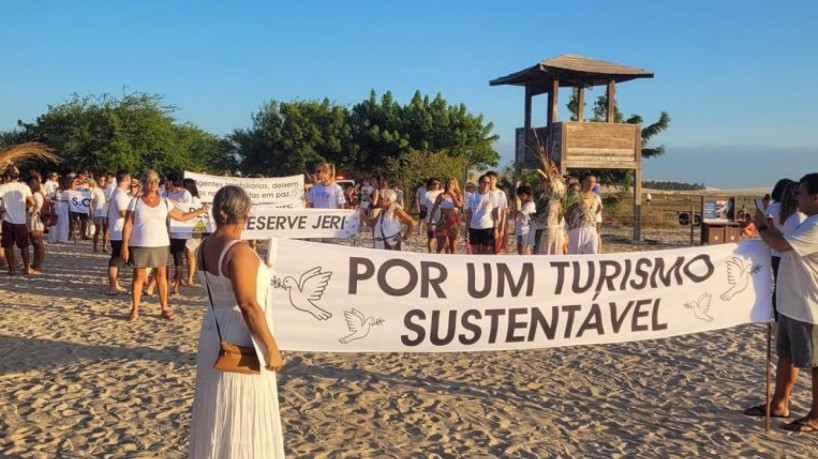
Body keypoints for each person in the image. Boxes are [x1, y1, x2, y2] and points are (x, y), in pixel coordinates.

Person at [188, 185, 285, 457]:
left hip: (213, 327)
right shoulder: (238, 250)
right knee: (244, 406)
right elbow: (248, 304)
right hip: (239, 331)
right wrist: (271, 346)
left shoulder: (204, 246)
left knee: (217, 405)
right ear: (245, 215)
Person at [745, 173, 818, 433]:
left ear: (815, 197)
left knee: (815, 363)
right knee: (786, 356)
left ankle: (816, 415)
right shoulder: (807, 221)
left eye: (800, 193)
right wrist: (764, 222)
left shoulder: (816, 225)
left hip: (810, 306)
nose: (795, 197)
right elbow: (780, 238)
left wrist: (763, 227)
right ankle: (779, 403)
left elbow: (780, 244)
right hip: (791, 302)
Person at [121, 170, 210, 321]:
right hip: (140, 244)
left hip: (161, 244)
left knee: (162, 276)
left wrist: (200, 211)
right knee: (138, 277)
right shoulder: (135, 201)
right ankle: (135, 309)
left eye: (156, 181)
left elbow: (181, 217)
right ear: (144, 182)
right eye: (150, 181)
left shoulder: (164, 201)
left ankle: (164, 307)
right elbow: (127, 224)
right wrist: (124, 246)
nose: (153, 184)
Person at [166, 171, 196, 296]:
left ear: (172, 182)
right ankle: (167, 282)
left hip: (181, 230)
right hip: (168, 230)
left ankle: (177, 285)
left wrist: (172, 203)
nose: (166, 183)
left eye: (167, 181)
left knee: (180, 257)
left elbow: (185, 211)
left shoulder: (185, 194)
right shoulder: (168, 193)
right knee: (168, 258)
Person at [0, 166, 35, 275]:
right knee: (24, 246)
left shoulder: (2, 187)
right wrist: (24, 207)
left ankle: (11, 269)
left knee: (8, 246)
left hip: (7, 220)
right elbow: (32, 202)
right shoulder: (24, 187)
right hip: (21, 220)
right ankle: (27, 268)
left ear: (7, 176)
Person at [106, 170, 132, 295]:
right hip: (119, 231)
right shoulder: (120, 195)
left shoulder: (118, 193)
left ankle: (115, 284)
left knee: (118, 260)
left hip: (118, 230)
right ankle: (112, 286)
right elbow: (123, 212)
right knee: (116, 260)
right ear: (126, 180)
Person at [566, 173, 603, 254]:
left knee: (593, 254)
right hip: (577, 230)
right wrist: (571, 224)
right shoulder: (575, 196)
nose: (591, 183)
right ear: (583, 182)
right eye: (589, 181)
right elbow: (567, 212)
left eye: (593, 182)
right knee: (574, 256)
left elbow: (599, 209)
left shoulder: (596, 197)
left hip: (592, 229)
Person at [465, 175, 499, 255]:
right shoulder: (472, 195)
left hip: (488, 227)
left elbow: (495, 214)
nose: (487, 184)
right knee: (475, 253)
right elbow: (469, 214)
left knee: (487, 252)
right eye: (485, 182)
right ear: (479, 183)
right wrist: (466, 229)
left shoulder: (492, 196)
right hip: (474, 227)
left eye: (489, 183)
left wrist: (496, 229)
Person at [429, 178, 464, 254]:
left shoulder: (459, 195)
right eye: (448, 183)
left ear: (455, 185)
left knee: (453, 246)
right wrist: (431, 221)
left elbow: (459, 205)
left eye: (452, 183)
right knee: (440, 245)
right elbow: (434, 209)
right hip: (442, 221)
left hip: (453, 222)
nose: (450, 185)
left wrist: (452, 194)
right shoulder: (441, 195)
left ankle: (453, 263)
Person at [183, 178, 204, 287]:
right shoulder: (183, 198)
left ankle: (190, 278)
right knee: (185, 254)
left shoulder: (195, 200)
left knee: (190, 254)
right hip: (183, 228)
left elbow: (200, 217)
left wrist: (197, 233)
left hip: (193, 230)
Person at [26, 176, 46, 273]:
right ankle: (35, 264)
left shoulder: (37, 194)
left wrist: (33, 212)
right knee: (37, 244)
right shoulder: (39, 193)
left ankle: (37, 266)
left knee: (38, 243)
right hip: (35, 219)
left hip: (36, 220)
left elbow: (38, 204)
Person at [486, 171, 509, 255]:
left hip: (498, 223)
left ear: (496, 180)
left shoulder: (501, 193)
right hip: (486, 223)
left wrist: (502, 228)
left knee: (497, 248)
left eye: (493, 179)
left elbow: (504, 211)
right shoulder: (484, 193)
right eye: (490, 179)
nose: (491, 181)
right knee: (487, 248)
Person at [423, 178, 443, 253]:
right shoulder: (427, 194)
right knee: (431, 237)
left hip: (441, 217)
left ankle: (438, 253)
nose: (436, 185)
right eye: (434, 183)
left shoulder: (442, 192)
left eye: (438, 183)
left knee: (441, 238)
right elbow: (424, 206)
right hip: (431, 218)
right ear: (431, 184)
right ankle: (430, 254)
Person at [89, 178, 109, 253]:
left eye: (102, 180)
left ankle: (105, 247)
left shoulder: (108, 190)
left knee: (106, 231)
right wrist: (91, 211)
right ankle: (95, 247)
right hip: (98, 213)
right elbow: (91, 201)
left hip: (107, 213)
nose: (100, 181)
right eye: (100, 180)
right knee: (97, 231)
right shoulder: (95, 190)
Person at [515, 184, 536, 255]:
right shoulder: (525, 204)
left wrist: (516, 205)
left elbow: (518, 216)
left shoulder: (529, 204)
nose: (521, 197)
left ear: (528, 195)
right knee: (520, 252)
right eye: (519, 195)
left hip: (526, 232)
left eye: (523, 195)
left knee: (525, 253)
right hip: (521, 231)